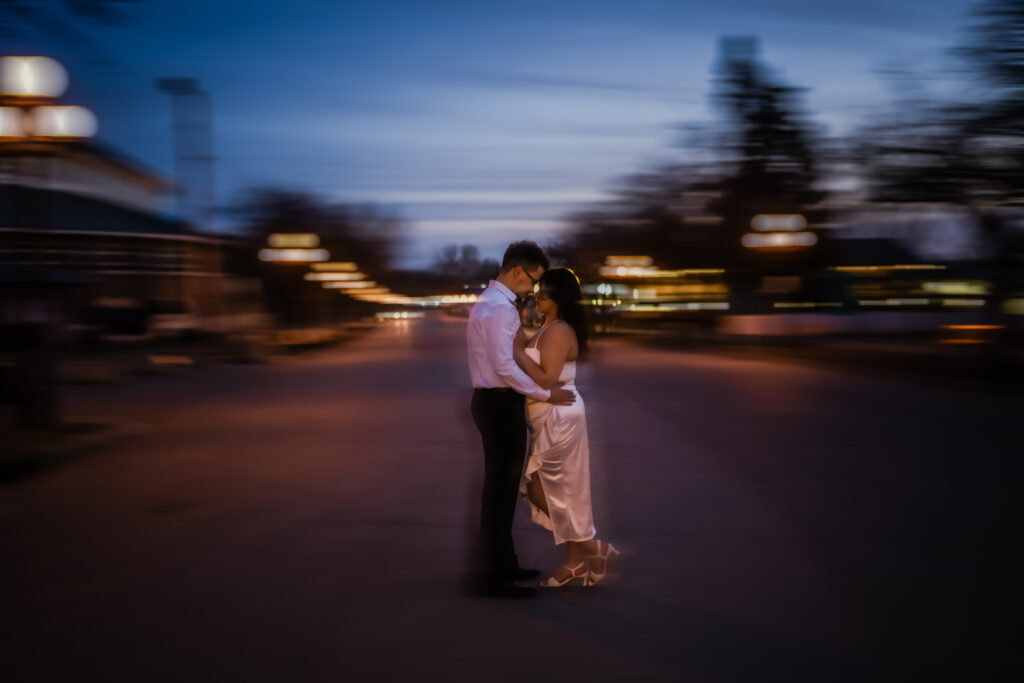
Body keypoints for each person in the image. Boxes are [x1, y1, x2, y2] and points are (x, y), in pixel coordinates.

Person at [466, 241, 576, 599]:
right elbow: (503, 366)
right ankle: (492, 578)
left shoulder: (488, 302)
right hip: (499, 404)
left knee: (499, 491)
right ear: (518, 272)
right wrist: (545, 394)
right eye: (533, 280)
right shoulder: (501, 309)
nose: (533, 289)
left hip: (490, 402)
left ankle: (504, 564)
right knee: (499, 493)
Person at [513, 268, 619, 587]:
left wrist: (517, 351)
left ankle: (593, 548)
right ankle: (573, 564)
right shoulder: (549, 327)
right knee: (566, 490)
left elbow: (546, 378)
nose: (536, 295)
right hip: (552, 413)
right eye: (537, 290)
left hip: (560, 417)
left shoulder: (558, 330)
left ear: (556, 296)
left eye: (542, 291)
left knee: (536, 487)